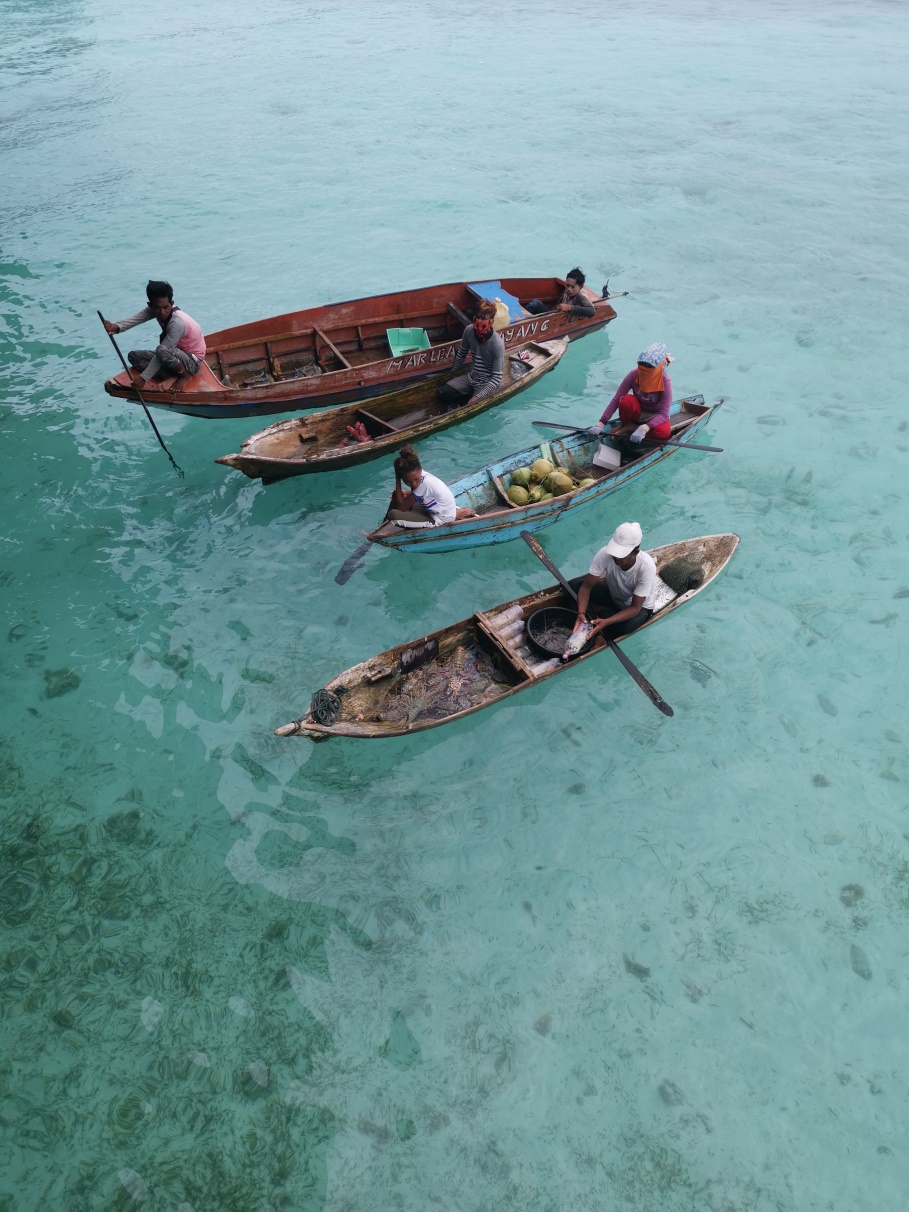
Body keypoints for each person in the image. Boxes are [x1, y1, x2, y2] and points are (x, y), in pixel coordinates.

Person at [103, 280, 206, 390]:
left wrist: (143, 378)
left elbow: (164, 349)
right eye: (157, 308)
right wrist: (116, 327)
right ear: (150, 305)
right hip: (174, 354)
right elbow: (136, 319)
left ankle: (185, 376)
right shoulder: (157, 308)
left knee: (162, 350)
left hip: (192, 361)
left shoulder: (177, 323)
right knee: (133, 356)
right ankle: (170, 376)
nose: (162, 312)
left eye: (166, 307)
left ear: (171, 304)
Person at [568, 521, 656, 645]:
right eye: (615, 552)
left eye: (621, 555)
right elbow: (586, 588)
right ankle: (592, 620)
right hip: (614, 596)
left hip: (638, 608)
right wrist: (581, 612)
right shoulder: (605, 554)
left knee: (625, 628)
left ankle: (602, 616)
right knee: (572, 585)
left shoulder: (646, 567)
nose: (616, 558)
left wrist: (607, 621)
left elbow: (635, 608)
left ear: (635, 552)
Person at [588, 342, 673, 448]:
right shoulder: (633, 374)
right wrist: (601, 423)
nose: (644, 368)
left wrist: (645, 427)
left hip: (655, 415)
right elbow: (616, 399)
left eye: (649, 366)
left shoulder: (666, 381)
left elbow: (664, 414)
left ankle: (631, 428)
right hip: (638, 411)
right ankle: (624, 425)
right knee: (625, 400)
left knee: (664, 432)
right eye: (642, 364)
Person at [386, 445, 476, 529]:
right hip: (434, 510)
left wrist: (397, 477)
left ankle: (387, 523)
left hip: (440, 519)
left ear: (420, 470)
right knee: (397, 495)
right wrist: (406, 493)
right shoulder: (421, 475)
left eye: (415, 479)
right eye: (408, 481)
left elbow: (401, 508)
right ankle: (384, 524)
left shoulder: (425, 483)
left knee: (393, 514)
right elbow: (425, 494)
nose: (413, 484)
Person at [438, 299, 505, 410]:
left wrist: (477, 396)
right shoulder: (469, 330)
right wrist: (452, 374)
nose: (479, 320)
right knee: (443, 392)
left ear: (491, 321)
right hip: (472, 377)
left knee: (471, 407)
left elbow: (497, 378)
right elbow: (461, 354)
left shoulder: (497, 344)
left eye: (483, 318)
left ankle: (471, 399)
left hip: (487, 382)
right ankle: (464, 398)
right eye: (477, 316)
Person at [525, 268, 597, 318]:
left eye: (572, 287)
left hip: (561, 320)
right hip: (553, 316)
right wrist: (550, 314)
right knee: (535, 303)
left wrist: (569, 308)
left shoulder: (580, 296)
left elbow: (591, 311)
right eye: (567, 285)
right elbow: (558, 304)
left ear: (581, 287)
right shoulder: (566, 292)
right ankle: (522, 319)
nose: (569, 289)